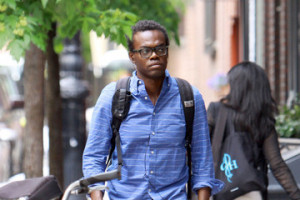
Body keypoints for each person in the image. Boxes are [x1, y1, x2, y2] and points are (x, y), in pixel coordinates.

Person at [82, 20, 223, 200]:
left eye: (160, 49)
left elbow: (202, 160)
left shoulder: (188, 97)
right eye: (145, 51)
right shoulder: (112, 96)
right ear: (132, 57)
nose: (154, 55)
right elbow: (94, 157)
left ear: (167, 52)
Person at [207, 61, 300, 200]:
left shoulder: (217, 110)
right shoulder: (263, 121)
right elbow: (277, 165)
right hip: (251, 192)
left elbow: (199, 151)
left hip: (222, 190)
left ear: (237, 86)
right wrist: (296, 195)